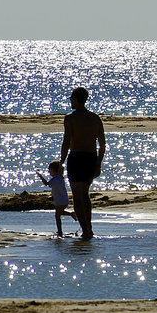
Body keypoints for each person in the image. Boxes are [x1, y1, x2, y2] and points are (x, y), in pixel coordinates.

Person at [61, 86, 106, 240]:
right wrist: (98, 163)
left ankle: (86, 230)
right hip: (91, 157)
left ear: (76, 99)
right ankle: (89, 228)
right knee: (84, 195)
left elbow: (66, 142)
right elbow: (102, 145)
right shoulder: (95, 118)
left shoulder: (70, 118)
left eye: (71, 98)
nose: (70, 101)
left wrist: (61, 161)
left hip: (77, 157)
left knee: (77, 196)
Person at [36, 160, 73, 236]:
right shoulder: (59, 177)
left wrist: (40, 176)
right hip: (62, 200)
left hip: (61, 201)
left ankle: (60, 232)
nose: (49, 172)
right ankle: (72, 215)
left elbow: (47, 183)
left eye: (50, 170)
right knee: (59, 214)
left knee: (57, 216)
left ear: (55, 170)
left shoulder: (56, 178)